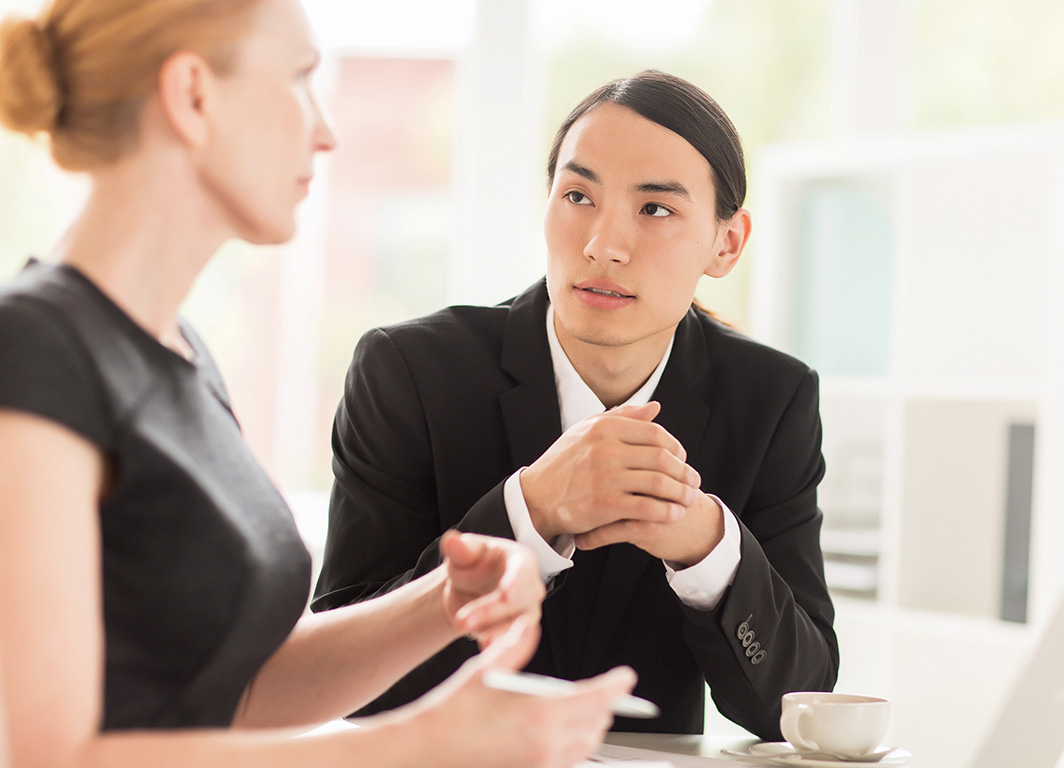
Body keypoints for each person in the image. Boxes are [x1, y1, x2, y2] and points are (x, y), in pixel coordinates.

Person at [0, 1, 636, 767]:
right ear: (193, 95)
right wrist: (420, 747)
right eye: (300, 78)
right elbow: (47, 755)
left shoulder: (178, 351)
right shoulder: (35, 347)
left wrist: (441, 604)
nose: (326, 131)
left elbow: (237, 694)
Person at [312, 69, 839, 741]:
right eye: (578, 195)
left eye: (654, 209)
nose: (602, 245)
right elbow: (344, 679)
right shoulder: (408, 373)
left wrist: (710, 546)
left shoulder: (771, 400)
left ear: (726, 243)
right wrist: (528, 513)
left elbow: (798, 706)